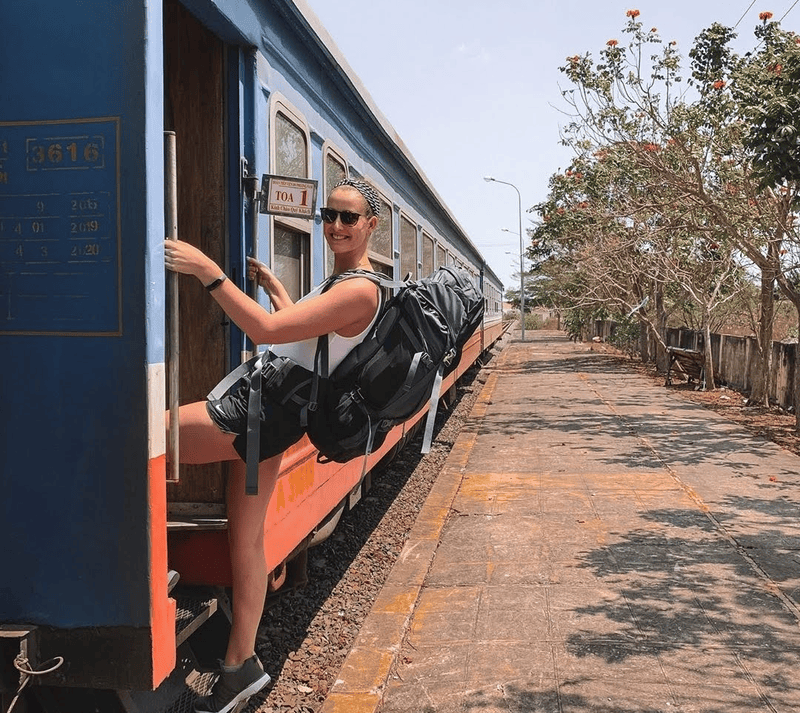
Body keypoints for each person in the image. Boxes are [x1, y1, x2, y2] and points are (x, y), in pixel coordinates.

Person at [164, 179, 383, 713]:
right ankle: (241, 667)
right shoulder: (345, 280)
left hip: (255, 412)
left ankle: (131, 583)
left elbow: (265, 334)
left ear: (372, 226)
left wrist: (205, 270)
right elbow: (303, 336)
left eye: (348, 217)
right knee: (247, 544)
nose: (334, 225)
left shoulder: (360, 289)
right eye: (329, 214)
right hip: (273, 417)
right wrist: (276, 289)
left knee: (145, 437)